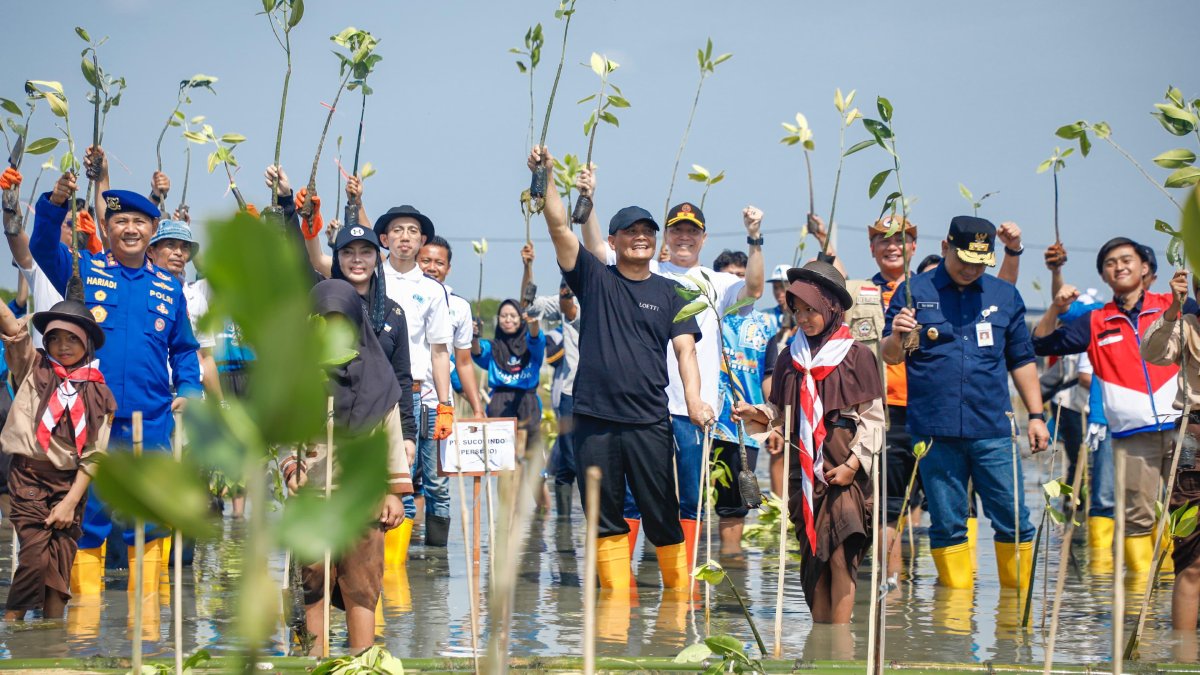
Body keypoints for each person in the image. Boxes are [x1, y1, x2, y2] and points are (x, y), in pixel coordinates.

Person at [531, 144, 712, 589]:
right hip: (594, 417)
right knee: (604, 516)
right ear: (612, 242)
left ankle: (676, 606)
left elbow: (686, 351)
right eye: (629, 231)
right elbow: (558, 226)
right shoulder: (595, 277)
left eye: (647, 231)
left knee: (663, 514)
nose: (640, 236)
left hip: (650, 420)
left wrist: (694, 400)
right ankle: (614, 612)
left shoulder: (671, 292)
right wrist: (548, 176)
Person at [30, 166, 201, 596]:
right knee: (89, 518)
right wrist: (54, 204)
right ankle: (84, 632)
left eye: (139, 222)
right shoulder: (83, 271)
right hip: (92, 419)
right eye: (120, 221)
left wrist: (189, 389)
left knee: (150, 518)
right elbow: (41, 247)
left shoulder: (169, 286)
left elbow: (183, 349)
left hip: (152, 421)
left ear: (153, 229)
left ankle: (147, 634)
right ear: (105, 229)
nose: (130, 229)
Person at [287, 166, 455, 547]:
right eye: (348, 253)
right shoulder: (323, 297)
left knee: (381, 517)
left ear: (376, 258)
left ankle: (390, 587)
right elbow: (303, 259)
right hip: (324, 426)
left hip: (379, 425)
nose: (357, 261)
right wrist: (295, 212)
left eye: (366, 253)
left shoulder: (392, 312)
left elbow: (402, 377)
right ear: (338, 258)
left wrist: (409, 434)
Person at [882, 216, 1048, 590]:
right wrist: (897, 334)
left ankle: (1014, 615)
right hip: (934, 431)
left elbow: (1021, 358)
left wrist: (1036, 416)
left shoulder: (1004, 296)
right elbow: (891, 356)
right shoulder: (912, 291)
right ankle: (954, 620)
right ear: (945, 248)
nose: (971, 269)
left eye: (980, 262)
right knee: (947, 523)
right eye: (964, 261)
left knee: (1014, 517)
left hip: (992, 429)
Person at [1032, 237, 1192, 574]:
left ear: (1145, 267)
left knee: (1188, 512)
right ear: (1104, 277)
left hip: (1184, 428)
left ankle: (1179, 585)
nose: (1118, 266)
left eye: (1126, 259)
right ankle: (1141, 605)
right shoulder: (1095, 321)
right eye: (1110, 263)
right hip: (1132, 436)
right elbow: (1041, 342)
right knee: (1137, 518)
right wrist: (1054, 310)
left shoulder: (1174, 306)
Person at [734, 261, 883, 623]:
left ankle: (841, 640)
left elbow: (874, 420)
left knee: (841, 554)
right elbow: (779, 410)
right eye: (796, 310)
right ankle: (820, 640)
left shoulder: (857, 355)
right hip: (803, 472)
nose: (802, 318)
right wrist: (754, 413)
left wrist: (851, 466)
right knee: (813, 557)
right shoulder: (790, 357)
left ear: (831, 306)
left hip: (843, 469)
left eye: (810, 309)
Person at [285, 279, 413, 653]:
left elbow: (390, 435)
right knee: (313, 582)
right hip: (313, 499)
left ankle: (361, 659)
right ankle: (315, 659)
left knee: (362, 585)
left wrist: (393, 492)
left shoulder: (378, 377)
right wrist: (292, 467)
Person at [0, 298, 116, 620]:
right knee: (34, 557)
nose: (62, 346)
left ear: (87, 343)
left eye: (72, 339)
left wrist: (69, 502)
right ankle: (13, 632)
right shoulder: (31, 367)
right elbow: (11, 327)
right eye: (54, 338)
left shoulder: (100, 394)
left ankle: (52, 644)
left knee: (59, 572)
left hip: (70, 486)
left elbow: (94, 456)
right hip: (29, 479)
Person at [1139, 268, 1200, 631]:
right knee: (1192, 557)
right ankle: (1183, 655)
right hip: (1195, 433)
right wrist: (1173, 310)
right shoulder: (1186, 324)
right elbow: (1153, 352)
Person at [710, 249, 773, 555]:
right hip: (705, 423)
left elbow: (771, 378)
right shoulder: (708, 318)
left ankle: (732, 570)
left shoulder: (768, 325)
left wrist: (772, 424)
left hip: (743, 428)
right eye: (728, 277)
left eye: (741, 275)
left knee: (733, 508)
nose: (736, 283)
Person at [522, 243, 582, 518]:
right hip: (570, 391)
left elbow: (572, 311)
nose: (567, 290)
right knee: (568, 459)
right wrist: (528, 266)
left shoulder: (599, 298)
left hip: (602, 392)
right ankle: (564, 525)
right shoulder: (560, 303)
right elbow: (529, 304)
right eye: (564, 285)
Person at [416, 236, 486, 420]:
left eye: (439, 263)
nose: (432, 267)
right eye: (425, 261)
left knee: (438, 450)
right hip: (405, 399)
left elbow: (464, 362)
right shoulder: (400, 296)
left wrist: (478, 409)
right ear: (414, 262)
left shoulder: (460, 306)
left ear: (448, 268)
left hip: (440, 402)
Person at [471, 299, 546, 459]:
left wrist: (533, 322)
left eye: (513, 315)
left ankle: (536, 483)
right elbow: (477, 352)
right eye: (504, 316)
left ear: (521, 318)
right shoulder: (493, 346)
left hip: (528, 401)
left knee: (532, 455)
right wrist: (474, 336)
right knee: (501, 457)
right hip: (499, 401)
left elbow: (536, 339)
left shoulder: (531, 344)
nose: (508, 319)